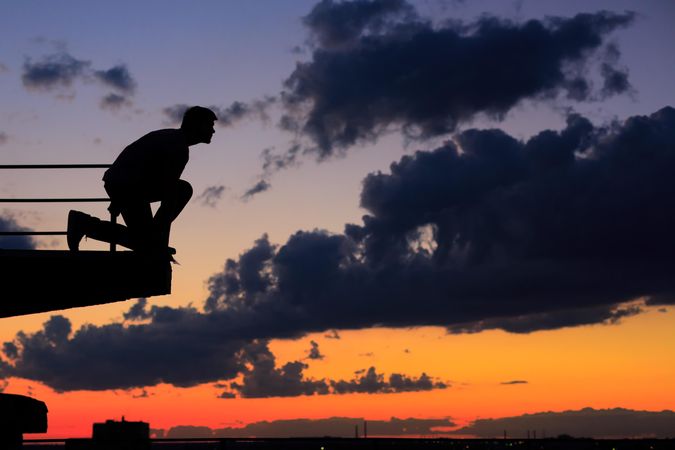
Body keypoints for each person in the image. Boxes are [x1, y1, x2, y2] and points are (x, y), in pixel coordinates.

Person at [67, 106, 217, 254]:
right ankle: (153, 243)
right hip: (128, 186)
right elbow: (165, 190)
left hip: (128, 185)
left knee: (145, 241)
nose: (213, 130)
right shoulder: (178, 147)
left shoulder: (173, 139)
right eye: (210, 125)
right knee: (181, 191)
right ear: (197, 124)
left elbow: (150, 173)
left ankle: (85, 224)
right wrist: (120, 198)